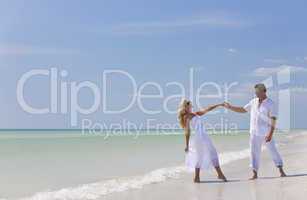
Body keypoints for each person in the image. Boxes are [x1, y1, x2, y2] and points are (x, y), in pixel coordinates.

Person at [224, 83, 286, 179]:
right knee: (254, 152)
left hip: (266, 132)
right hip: (254, 132)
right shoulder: (253, 101)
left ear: (264, 91)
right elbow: (243, 109)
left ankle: (281, 170)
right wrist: (230, 107)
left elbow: (273, 119)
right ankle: (255, 173)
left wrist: (270, 134)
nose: (256, 94)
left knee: (273, 150)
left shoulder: (271, 103)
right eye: (255, 92)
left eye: (257, 92)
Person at [177, 99, 227, 183]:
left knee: (206, 155)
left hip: (204, 136)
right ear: (185, 107)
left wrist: (218, 105)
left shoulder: (195, 114)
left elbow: (207, 109)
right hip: (199, 138)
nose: (190, 107)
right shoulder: (187, 117)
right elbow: (187, 131)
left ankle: (198, 177)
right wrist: (187, 145)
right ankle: (219, 174)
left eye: (190, 105)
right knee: (208, 154)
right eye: (188, 105)